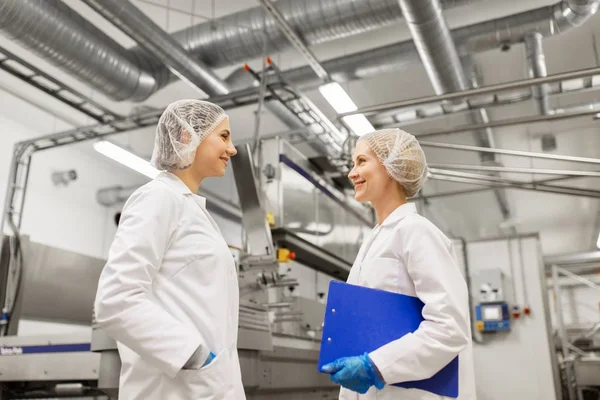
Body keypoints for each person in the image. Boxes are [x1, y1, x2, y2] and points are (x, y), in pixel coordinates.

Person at [94, 99, 244, 400]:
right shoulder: (157, 198)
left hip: (209, 386)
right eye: (224, 137)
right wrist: (195, 355)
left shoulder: (190, 207)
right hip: (176, 388)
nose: (233, 149)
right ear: (189, 136)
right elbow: (116, 299)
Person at [321, 128, 477, 400]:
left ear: (392, 166)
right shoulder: (376, 239)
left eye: (361, 162)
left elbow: (449, 326)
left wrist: (375, 367)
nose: (351, 173)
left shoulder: (417, 232)